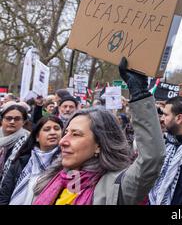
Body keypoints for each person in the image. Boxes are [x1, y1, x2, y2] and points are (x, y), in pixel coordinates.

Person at [31, 57, 165, 205]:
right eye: (66, 133)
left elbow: (152, 158)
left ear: (99, 145)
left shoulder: (115, 187)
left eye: (76, 134)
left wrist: (140, 94)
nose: (62, 141)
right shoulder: (54, 178)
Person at [0, 116, 63, 204]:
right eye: (47, 129)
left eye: (57, 129)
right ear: (37, 137)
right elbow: (5, 193)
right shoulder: (22, 161)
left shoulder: (65, 164)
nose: (53, 132)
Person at [0, 102, 30, 187]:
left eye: (17, 119)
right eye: (8, 118)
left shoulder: (28, 142)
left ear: (23, 122)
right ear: (2, 120)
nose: (12, 122)